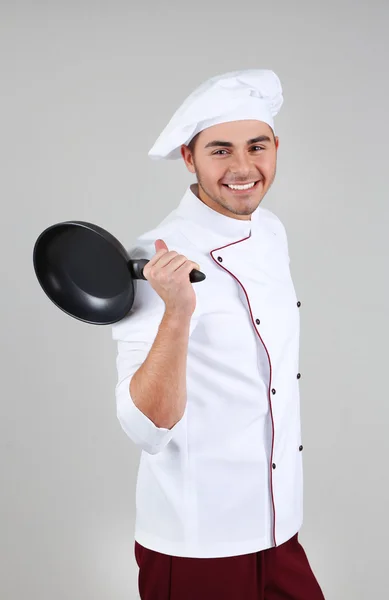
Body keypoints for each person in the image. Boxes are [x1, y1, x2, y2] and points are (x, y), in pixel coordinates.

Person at [112, 69, 325, 600]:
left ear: (276, 147)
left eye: (257, 146)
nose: (243, 167)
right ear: (190, 158)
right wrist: (178, 312)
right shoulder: (154, 259)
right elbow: (146, 427)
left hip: (278, 528)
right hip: (198, 542)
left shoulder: (271, 231)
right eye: (220, 150)